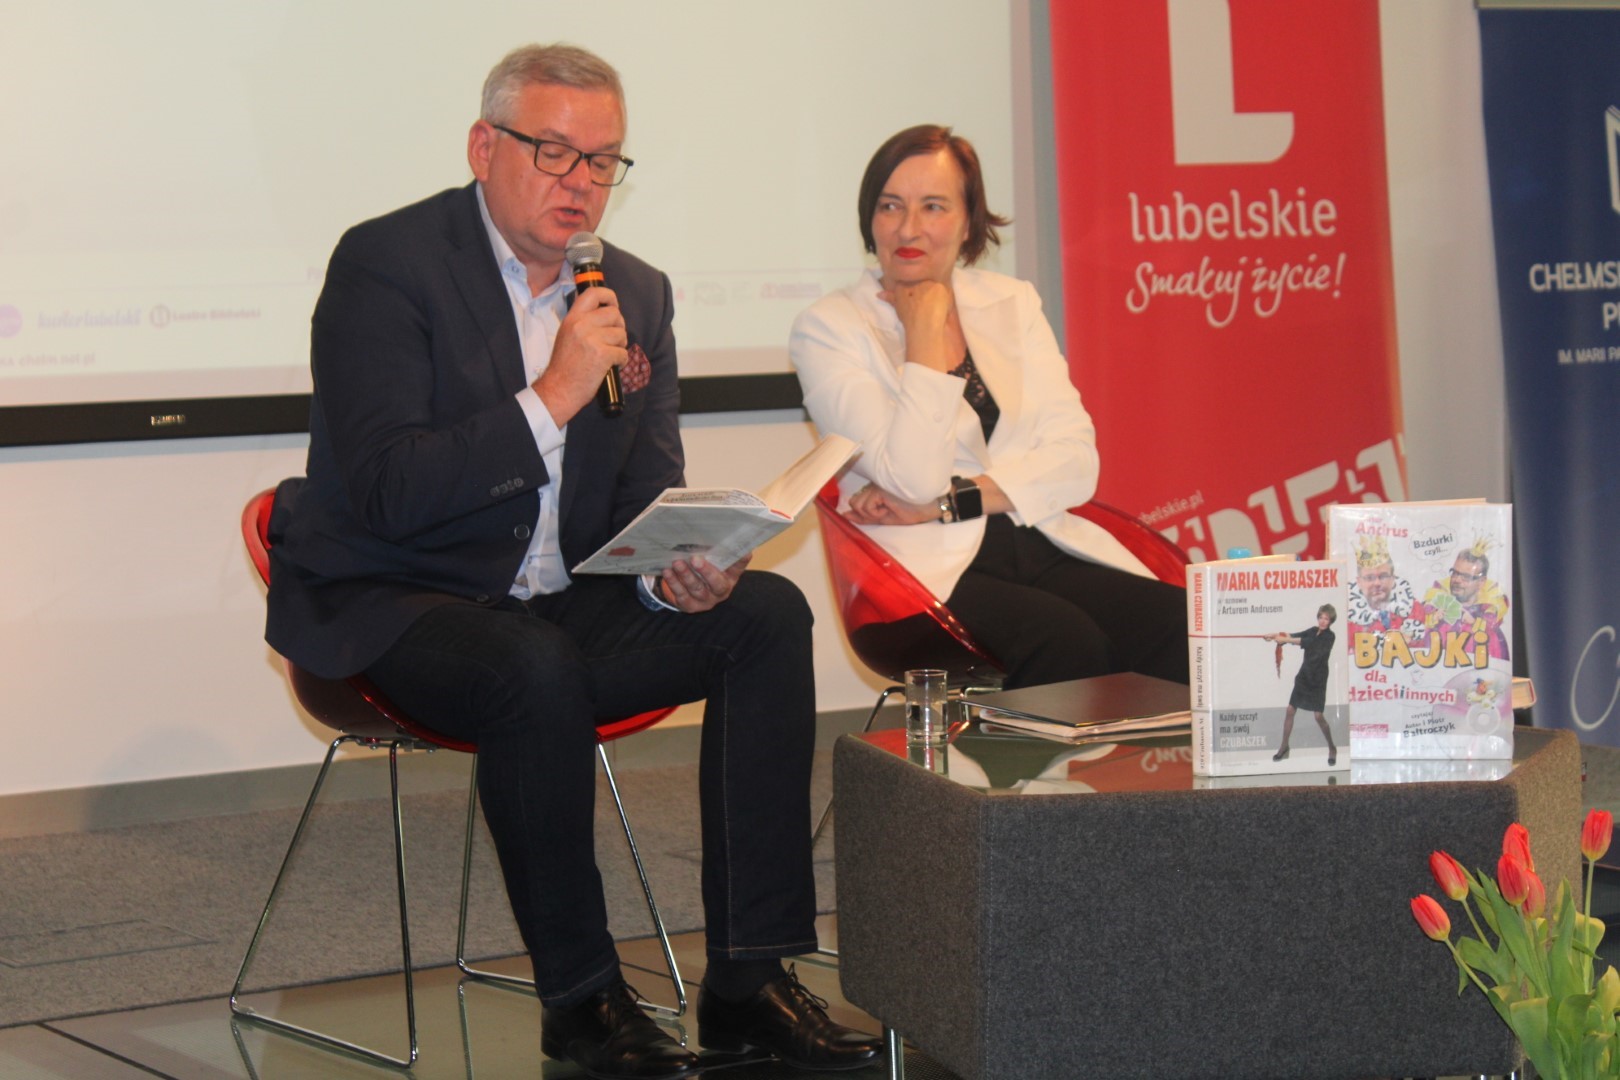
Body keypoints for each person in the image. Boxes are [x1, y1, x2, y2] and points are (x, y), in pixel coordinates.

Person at [265, 44, 879, 1080]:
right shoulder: (387, 265)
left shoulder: (633, 291)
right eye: (553, 153)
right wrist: (552, 394)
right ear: (483, 147)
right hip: (398, 601)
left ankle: (748, 983)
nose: (580, 182)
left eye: (602, 162)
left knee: (765, 618)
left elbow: (643, 493)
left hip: (553, 605)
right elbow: (385, 490)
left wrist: (675, 573)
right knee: (530, 666)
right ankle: (583, 1001)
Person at [789, 124, 1187, 690]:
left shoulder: (1011, 301)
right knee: (1067, 642)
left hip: (1034, 538)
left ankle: (1150, 756)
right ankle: (1041, 755)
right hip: (921, 572)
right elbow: (909, 479)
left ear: (968, 222)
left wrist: (948, 503)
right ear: (869, 218)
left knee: (1180, 627)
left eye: (933, 206)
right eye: (890, 206)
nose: (908, 228)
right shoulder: (829, 328)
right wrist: (924, 334)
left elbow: (1077, 462)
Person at [1414, 540, 1510, 661]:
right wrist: (1432, 618)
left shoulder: (1490, 617)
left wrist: (1474, 622)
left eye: (1466, 577)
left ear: (1481, 582)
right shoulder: (1435, 608)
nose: (1457, 580)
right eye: (1455, 573)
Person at [1269, 604, 1339, 766]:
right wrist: (1274, 636)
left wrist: (1286, 640)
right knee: (1290, 710)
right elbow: (1294, 636)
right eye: (1321, 617)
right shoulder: (1313, 630)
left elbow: (1308, 642)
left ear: (1331, 621)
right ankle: (1284, 747)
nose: (1323, 621)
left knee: (1318, 716)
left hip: (1317, 680)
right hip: (1303, 677)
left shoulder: (1330, 637)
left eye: (1326, 619)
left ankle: (1332, 747)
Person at [1345, 535, 1421, 641]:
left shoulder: (1415, 610)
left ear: (1393, 579)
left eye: (1383, 576)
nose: (1377, 583)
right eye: (1369, 577)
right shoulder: (1347, 622)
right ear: (1359, 582)